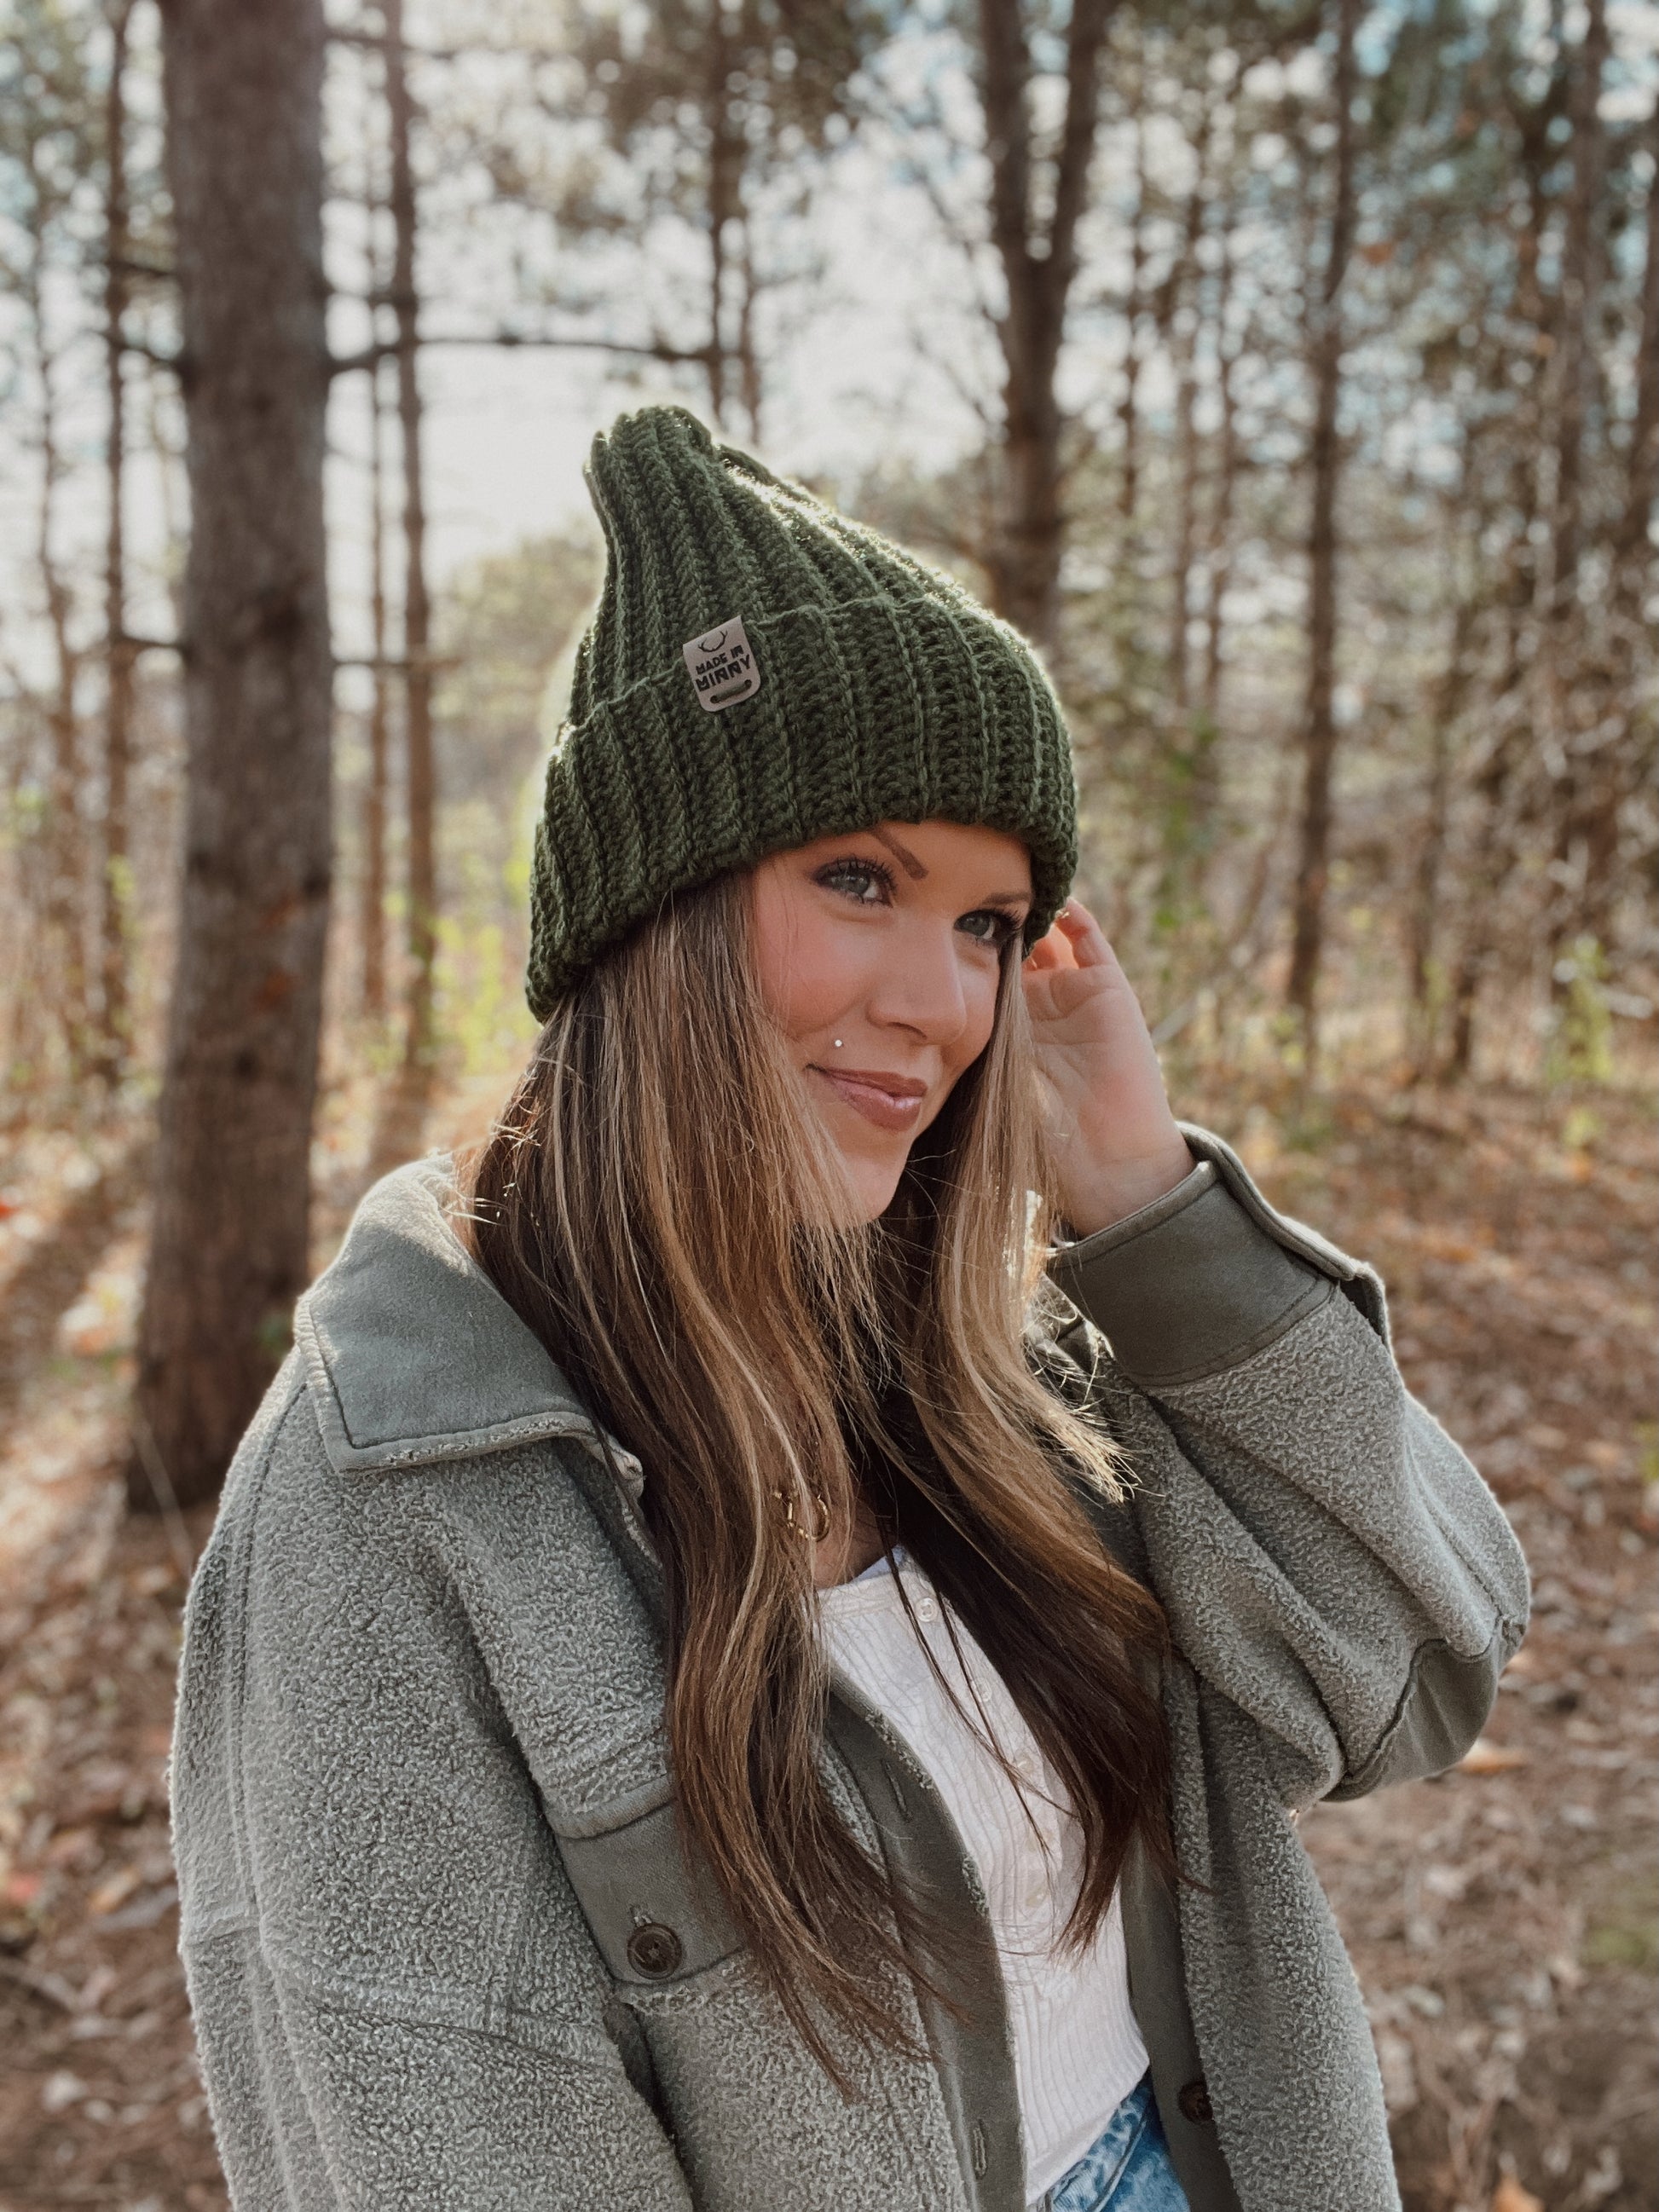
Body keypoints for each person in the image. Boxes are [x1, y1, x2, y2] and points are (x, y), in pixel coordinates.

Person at [171, 406, 1529, 2212]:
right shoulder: (392, 1495)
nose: (941, 1002)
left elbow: (1409, 1677)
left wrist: (1146, 1208)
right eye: (860, 880)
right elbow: (454, 2143)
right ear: (648, 909)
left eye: (987, 923)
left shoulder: (998, 1364)